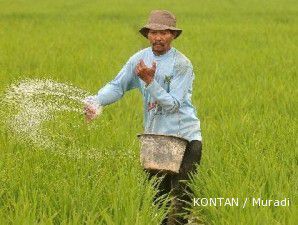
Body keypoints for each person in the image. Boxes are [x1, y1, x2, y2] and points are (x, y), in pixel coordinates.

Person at [84, 9, 202, 225]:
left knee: (182, 195)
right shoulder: (139, 60)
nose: (158, 37)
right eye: (153, 32)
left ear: (173, 35)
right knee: (159, 198)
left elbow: (173, 105)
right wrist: (96, 101)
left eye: (164, 32)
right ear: (147, 34)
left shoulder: (182, 64)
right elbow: (117, 86)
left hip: (185, 136)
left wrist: (150, 82)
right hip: (155, 137)